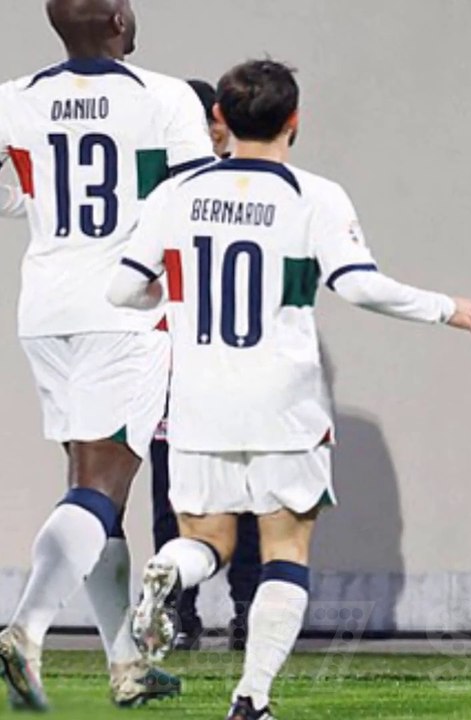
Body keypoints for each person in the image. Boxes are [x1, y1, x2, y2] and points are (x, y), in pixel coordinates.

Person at [110, 58, 471, 720]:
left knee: (207, 541)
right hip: (283, 403)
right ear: (295, 122)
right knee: (286, 549)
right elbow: (359, 285)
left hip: (198, 402)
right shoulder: (314, 197)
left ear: (219, 123)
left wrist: (166, 293)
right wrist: (445, 307)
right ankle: (252, 697)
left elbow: (122, 290)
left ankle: (171, 571)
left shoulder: (173, 197)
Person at [0, 0, 214, 709]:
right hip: (122, 310)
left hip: (45, 309)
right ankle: (24, 628)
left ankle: (124, 662)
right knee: (100, 484)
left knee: (93, 487)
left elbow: (16, 192)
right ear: (119, 20)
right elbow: (193, 204)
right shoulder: (164, 97)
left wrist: (33, 201)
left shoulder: (14, 99)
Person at [149, 78, 261, 652]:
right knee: (173, 492)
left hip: (227, 360)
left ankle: (246, 608)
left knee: (244, 493)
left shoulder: (250, 183)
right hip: (176, 359)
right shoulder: (162, 189)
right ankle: (175, 612)